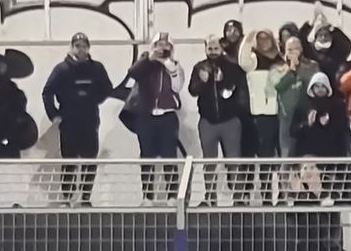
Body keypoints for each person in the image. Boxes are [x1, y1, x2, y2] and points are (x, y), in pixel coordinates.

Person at [42, 33, 113, 206]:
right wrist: (54, 114)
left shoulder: (97, 68)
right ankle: (68, 197)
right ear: (71, 47)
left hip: (90, 120)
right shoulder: (61, 69)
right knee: (69, 160)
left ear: (88, 48)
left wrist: (93, 99)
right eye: (77, 46)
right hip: (69, 121)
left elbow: (107, 88)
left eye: (84, 46)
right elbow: (47, 92)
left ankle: (85, 198)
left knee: (90, 159)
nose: (81, 49)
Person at [120, 33, 183, 203]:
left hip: (167, 116)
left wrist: (170, 67)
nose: (162, 48)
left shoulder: (175, 65)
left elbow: (177, 87)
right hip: (146, 116)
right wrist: (150, 58)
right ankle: (147, 196)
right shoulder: (145, 62)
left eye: (166, 45)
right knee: (147, 156)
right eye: (159, 44)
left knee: (169, 156)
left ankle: (172, 196)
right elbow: (133, 73)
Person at [189, 36, 249, 204]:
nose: (213, 52)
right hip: (207, 121)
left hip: (230, 121)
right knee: (209, 162)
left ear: (221, 48)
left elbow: (239, 89)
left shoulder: (232, 66)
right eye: (210, 49)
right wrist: (203, 82)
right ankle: (210, 197)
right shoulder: (199, 67)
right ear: (205, 49)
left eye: (216, 48)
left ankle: (238, 198)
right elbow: (192, 90)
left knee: (234, 160)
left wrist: (224, 80)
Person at [239, 29, 283, 201]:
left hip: (280, 114)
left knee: (280, 158)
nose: (264, 42)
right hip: (260, 115)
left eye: (267, 38)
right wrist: (248, 38)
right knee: (264, 157)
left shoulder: (280, 60)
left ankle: (281, 194)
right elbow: (242, 60)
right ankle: (265, 196)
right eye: (260, 39)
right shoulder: (253, 59)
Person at [271, 36, 320, 157]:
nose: (293, 52)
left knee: (308, 152)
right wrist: (291, 70)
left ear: (302, 49)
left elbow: (314, 84)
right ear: (285, 51)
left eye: (296, 49)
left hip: (306, 113)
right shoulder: (278, 68)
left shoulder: (312, 65)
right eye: (290, 49)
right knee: (287, 152)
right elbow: (278, 86)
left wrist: (299, 67)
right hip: (287, 116)